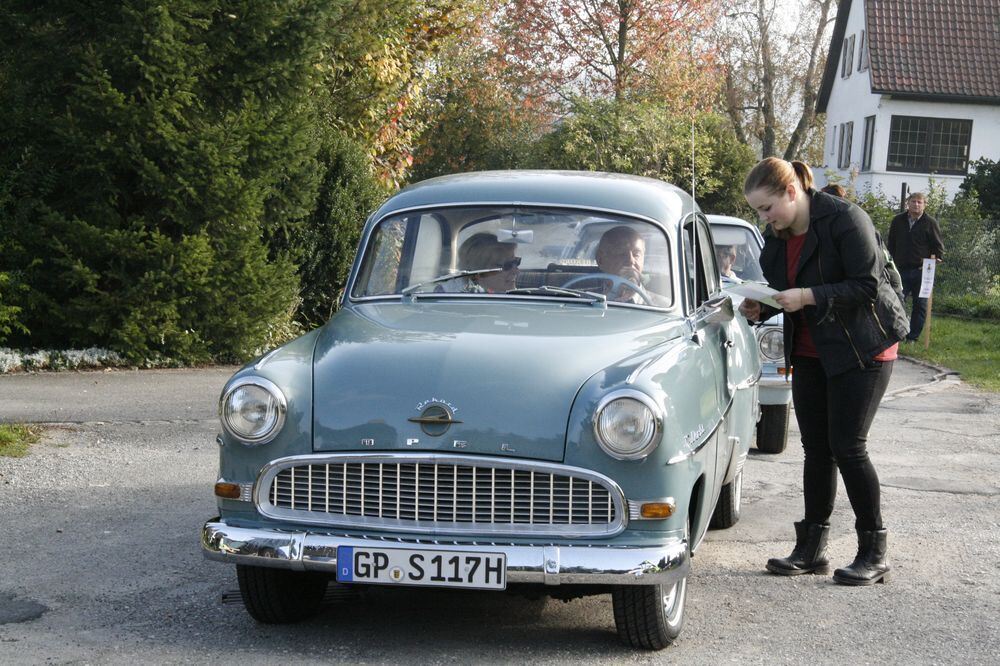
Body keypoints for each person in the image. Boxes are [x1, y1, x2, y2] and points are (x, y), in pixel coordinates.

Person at [740, 157, 909, 586]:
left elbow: (867, 284)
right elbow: (783, 294)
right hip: (812, 351)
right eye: (758, 211)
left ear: (792, 192)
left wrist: (809, 295)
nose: (764, 219)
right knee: (816, 448)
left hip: (864, 347)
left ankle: (874, 552)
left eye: (766, 208)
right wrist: (760, 306)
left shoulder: (846, 219)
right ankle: (810, 549)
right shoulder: (775, 235)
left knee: (848, 446)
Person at [887, 192, 944, 342]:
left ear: (924, 204)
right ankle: (898, 334)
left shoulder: (930, 223)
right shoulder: (898, 221)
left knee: (920, 305)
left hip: (921, 271)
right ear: (908, 203)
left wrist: (937, 258)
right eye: (913, 201)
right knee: (897, 303)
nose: (916, 205)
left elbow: (938, 247)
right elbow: (891, 244)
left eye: (920, 202)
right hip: (900, 270)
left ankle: (913, 338)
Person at [594, 225, 650, 302]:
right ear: (600, 260)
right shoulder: (583, 302)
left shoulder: (663, 307)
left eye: (636, 255)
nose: (631, 261)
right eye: (621, 253)